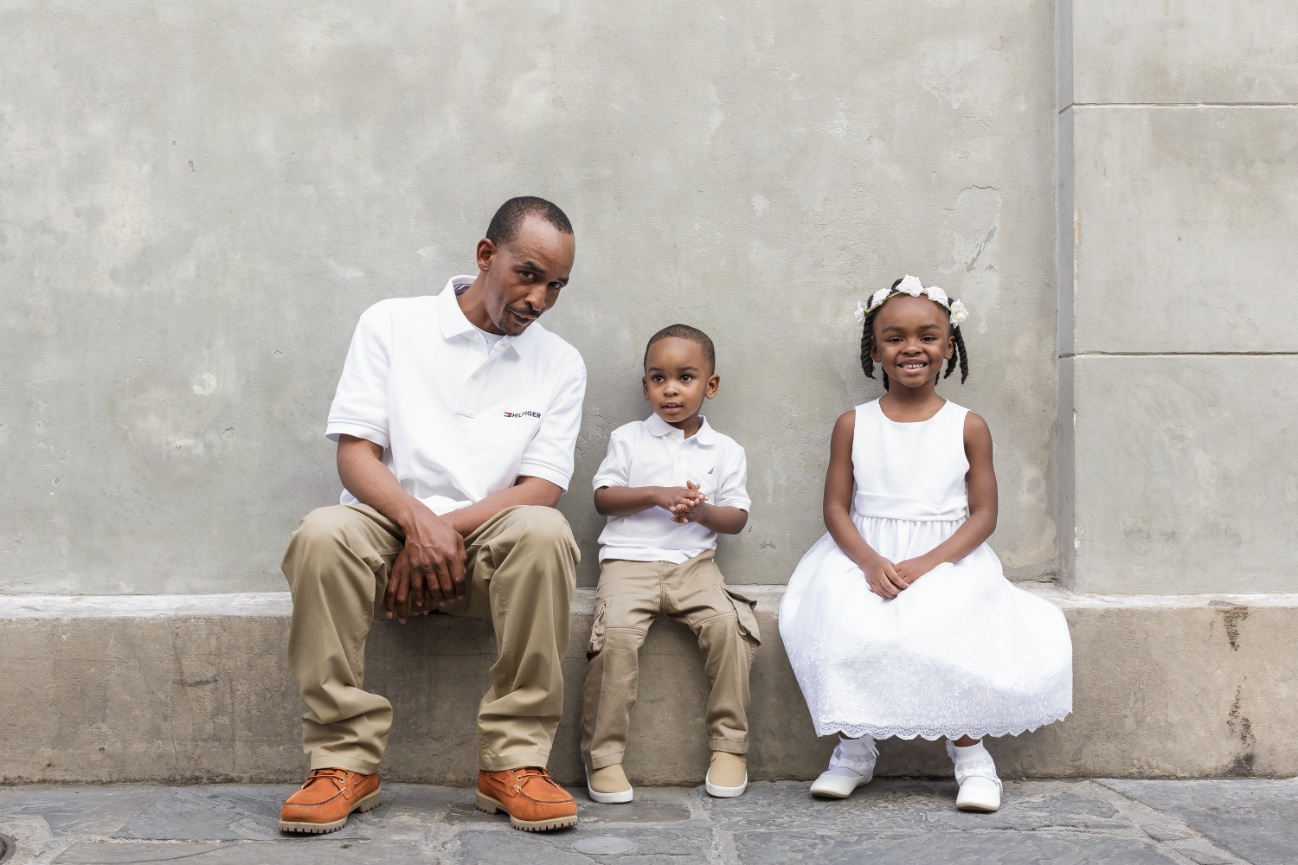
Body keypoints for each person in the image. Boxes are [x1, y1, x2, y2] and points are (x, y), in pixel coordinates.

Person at [278, 197, 587, 834]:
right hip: (388, 535)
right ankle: (343, 762)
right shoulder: (392, 323)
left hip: (486, 549)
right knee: (321, 533)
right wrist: (416, 525)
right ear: (485, 255)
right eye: (527, 274)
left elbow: (542, 489)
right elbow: (357, 456)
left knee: (545, 533)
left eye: (556, 285)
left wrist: (441, 534)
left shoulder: (560, 362)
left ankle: (514, 764)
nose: (539, 298)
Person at [779, 275, 1072, 812]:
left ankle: (971, 757)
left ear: (949, 346)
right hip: (864, 553)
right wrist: (869, 562)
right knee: (846, 623)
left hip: (946, 556)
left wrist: (928, 563)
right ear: (874, 349)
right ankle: (854, 750)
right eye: (894, 337)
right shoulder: (853, 424)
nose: (911, 348)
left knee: (949, 626)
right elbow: (836, 507)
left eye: (927, 336)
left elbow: (983, 515)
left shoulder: (968, 426)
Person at [580, 325, 760, 803]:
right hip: (628, 564)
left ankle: (729, 747)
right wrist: (658, 495)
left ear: (711, 386)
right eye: (659, 379)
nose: (671, 389)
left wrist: (699, 511)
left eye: (685, 377)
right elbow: (603, 498)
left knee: (728, 626)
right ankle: (604, 757)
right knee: (613, 638)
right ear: (645, 387)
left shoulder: (726, 451)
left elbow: (737, 518)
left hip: (694, 565)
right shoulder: (628, 438)